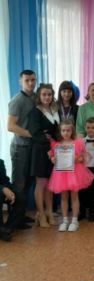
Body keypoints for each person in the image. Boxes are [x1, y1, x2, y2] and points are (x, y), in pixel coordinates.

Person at [48, 119, 94, 232]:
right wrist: (53, 159)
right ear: (60, 131)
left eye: (68, 130)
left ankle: (74, 220)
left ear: (72, 130)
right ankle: (64, 220)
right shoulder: (56, 144)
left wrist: (78, 159)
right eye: (63, 130)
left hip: (75, 173)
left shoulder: (77, 143)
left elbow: (85, 157)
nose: (66, 133)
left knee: (74, 196)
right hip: (61, 174)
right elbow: (53, 157)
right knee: (63, 197)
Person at [28, 84, 60, 228]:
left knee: (49, 184)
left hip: (53, 151)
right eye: (44, 94)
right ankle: (40, 214)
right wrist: (47, 139)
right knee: (41, 183)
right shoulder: (35, 111)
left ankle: (49, 212)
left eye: (49, 94)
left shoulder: (54, 110)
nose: (47, 97)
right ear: (39, 96)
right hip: (40, 151)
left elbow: (55, 132)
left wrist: (52, 139)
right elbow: (35, 133)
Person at [7, 69, 37, 203]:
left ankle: (22, 212)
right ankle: (15, 215)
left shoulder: (36, 97)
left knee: (29, 181)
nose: (30, 83)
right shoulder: (17, 100)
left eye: (33, 80)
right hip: (20, 148)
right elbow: (10, 126)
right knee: (19, 183)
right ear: (20, 82)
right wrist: (31, 134)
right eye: (27, 80)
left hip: (32, 147)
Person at [79, 117, 94, 222]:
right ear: (85, 128)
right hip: (83, 168)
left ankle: (92, 211)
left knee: (93, 189)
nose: (90, 130)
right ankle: (82, 211)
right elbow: (78, 155)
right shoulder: (81, 142)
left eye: (93, 127)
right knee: (82, 190)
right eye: (88, 127)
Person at [0, 159, 27, 241]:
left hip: (3, 188)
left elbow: (5, 180)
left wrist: (12, 191)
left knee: (20, 196)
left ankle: (8, 227)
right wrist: (2, 189)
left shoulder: (0, 162)